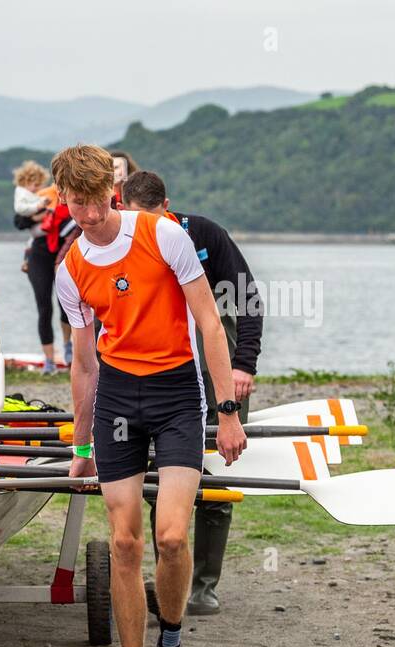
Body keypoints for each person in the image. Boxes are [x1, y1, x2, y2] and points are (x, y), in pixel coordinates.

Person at [53, 144, 245, 647]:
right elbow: (83, 365)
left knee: (171, 537)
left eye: (93, 202)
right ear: (64, 200)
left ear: (112, 193)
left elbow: (209, 321)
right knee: (124, 543)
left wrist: (227, 411)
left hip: (177, 396)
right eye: (74, 204)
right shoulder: (71, 270)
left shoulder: (163, 235)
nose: (85, 215)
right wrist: (82, 446)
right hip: (117, 402)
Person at [121, 170, 264, 615]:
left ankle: (204, 585)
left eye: (152, 218)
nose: (143, 228)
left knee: (214, 478)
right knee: (162, 479)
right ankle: (170, 571)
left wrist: (244, 365)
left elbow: (248, 299)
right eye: (133, 219)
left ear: (167, 208)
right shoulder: (118, 242)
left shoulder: (203, 234)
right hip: (160, 372)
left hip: (216, 369)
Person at [12, 160, 68, 374]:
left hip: (62, 249)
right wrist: (40, 214)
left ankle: (69, 348)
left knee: (67, 304)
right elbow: (19, 221)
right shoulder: (38, 196)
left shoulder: (66, 194)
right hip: (39, 250)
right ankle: (49, 359)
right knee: (44, 306)